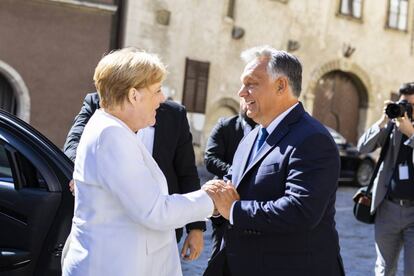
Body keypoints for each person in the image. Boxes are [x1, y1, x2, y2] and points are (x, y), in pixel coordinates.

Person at [61, 47, 238, 276]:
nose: (162, 98)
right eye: (156, 90)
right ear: (134, 95)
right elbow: (154, 210)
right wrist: (212, 201)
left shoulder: (112, 129)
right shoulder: (111, 135)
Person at [203, 46, 344, 276]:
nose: (241, 92)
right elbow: (235, 187)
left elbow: (301, 211)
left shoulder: (313, 138)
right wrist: (216, 199)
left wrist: (234, 210)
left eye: (251, 84)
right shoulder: (251, 137)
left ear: (281, 86)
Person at [64, 93, 205, 261]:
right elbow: (74, 141)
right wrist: (80, 170)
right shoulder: (98, 102)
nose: (163, 96)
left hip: (159, 229)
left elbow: (186, 171)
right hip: (108, 225)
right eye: (157, 87)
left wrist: (196, 228)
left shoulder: (175, 114)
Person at [357, 82, 414, 276]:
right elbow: (362, 148)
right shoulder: (392, 126)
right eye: (405, 104)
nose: (408, 109)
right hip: (388, 208)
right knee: (384, 269)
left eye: (412, 105)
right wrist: (382, 120)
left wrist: (411, 133)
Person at [204, 100, 256, 259]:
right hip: (223, 202)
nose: (247, 104)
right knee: (219, 253)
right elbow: (210, 158)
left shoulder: (267, 131)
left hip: (251, 204)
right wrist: (236, 173)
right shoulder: (225, 126)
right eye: (245, 101)